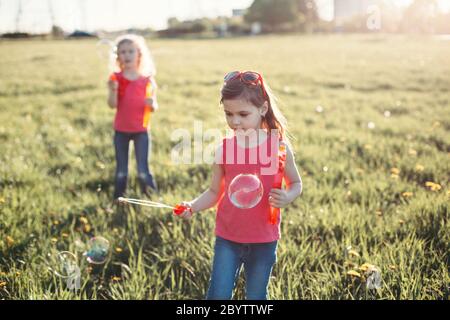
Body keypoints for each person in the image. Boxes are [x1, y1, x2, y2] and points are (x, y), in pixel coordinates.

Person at [175, 71, 303, 299]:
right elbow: (215, 192)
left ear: (262, 109)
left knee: (255, 296)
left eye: (243, 114)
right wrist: (192, 206)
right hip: (228, 236)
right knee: (218, 295)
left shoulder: (278, 148)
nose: (235, 121)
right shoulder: (224, 150)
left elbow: (295, 183)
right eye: (228, 114)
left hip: (264, 238)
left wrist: (289, 196)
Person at [107, 34, 159, 200]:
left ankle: (151, 197)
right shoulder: (116, 79)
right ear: (118, 56)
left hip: (141, 131)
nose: (127, 55)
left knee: (143, 170)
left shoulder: (146, 81)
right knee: (122, 170)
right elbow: (112, 105)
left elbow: (153, 107)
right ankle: (119, 198)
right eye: (123, 52)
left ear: (139, 55)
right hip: (121, 131)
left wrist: (152, 103)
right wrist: (113, 90)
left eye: (131, 51)